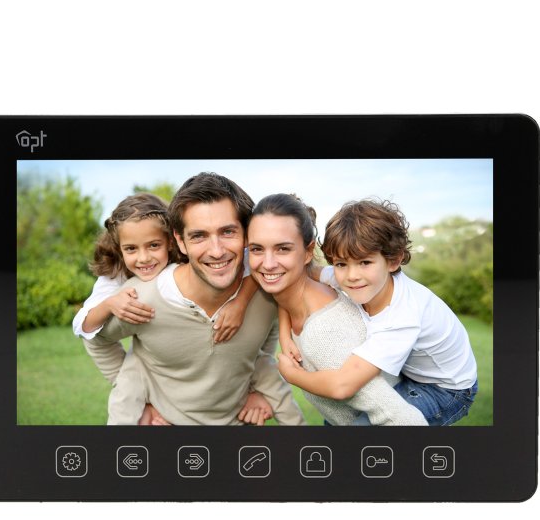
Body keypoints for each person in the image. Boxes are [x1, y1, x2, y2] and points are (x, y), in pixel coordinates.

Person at [84, 173, 305, 426]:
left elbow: (267, 330)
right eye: (199, 235)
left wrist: (258, 389)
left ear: (247, 235)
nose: (216, 251)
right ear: (180, 241)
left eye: (228, 231)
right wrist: (137, 396)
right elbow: (95, 338)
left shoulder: (267, 287)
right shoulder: (140, 299)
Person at [276, 198, 478, 427]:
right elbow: (293, 281)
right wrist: (284, 335)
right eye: (341, 263)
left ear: (394, 260)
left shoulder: (401, 317)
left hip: (446, 389)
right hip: (409, 372)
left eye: (365, 262)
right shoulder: (350, 278)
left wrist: (292, 375)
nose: (352, 276)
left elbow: (342, 386)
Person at [73, 193, 258, 424]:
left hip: (183, 365)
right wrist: (110, 303)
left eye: (153, 245)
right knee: (128, 395)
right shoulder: (115, 274)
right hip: (142, 364)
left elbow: (251, 261)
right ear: (119, 248)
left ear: (171, 241)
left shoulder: (188, 260)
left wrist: (240, 303)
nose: (143, 258)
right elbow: (83, 324)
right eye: (131, 249)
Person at [247, 193, 426, 426]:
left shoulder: (324, 331)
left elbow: (402, 418)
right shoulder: (301, 297)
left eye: (283, 249)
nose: (268, 263)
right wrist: (284, 331)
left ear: (308, 252)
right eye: (257, 249)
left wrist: (292, 375)